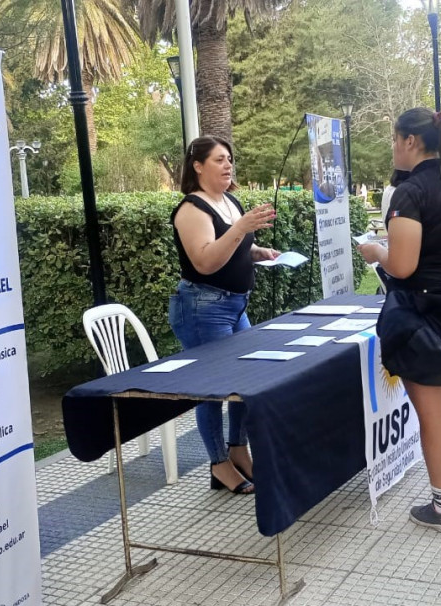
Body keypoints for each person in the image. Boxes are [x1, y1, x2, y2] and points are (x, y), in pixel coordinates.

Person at [358, 108, 441, 533]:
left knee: (433, 411)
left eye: (394, 139)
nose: (393, 147)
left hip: (425, 313)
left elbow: (401, 265)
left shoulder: (412, 192)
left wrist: (377, 252)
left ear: (410, 141)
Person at [168, 135, 278, 495]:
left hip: (234, 306)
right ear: (198, 166)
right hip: (203, 308)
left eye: (229, 158)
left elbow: (234, 248)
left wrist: (257, 251)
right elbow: (205, 260)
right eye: (218, 159)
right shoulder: (192, 209)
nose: (228, 165)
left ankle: (238, 450)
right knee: (213, 390)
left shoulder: (230, 201)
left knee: (244, 382)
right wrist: (242, 229)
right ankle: (218, 465)